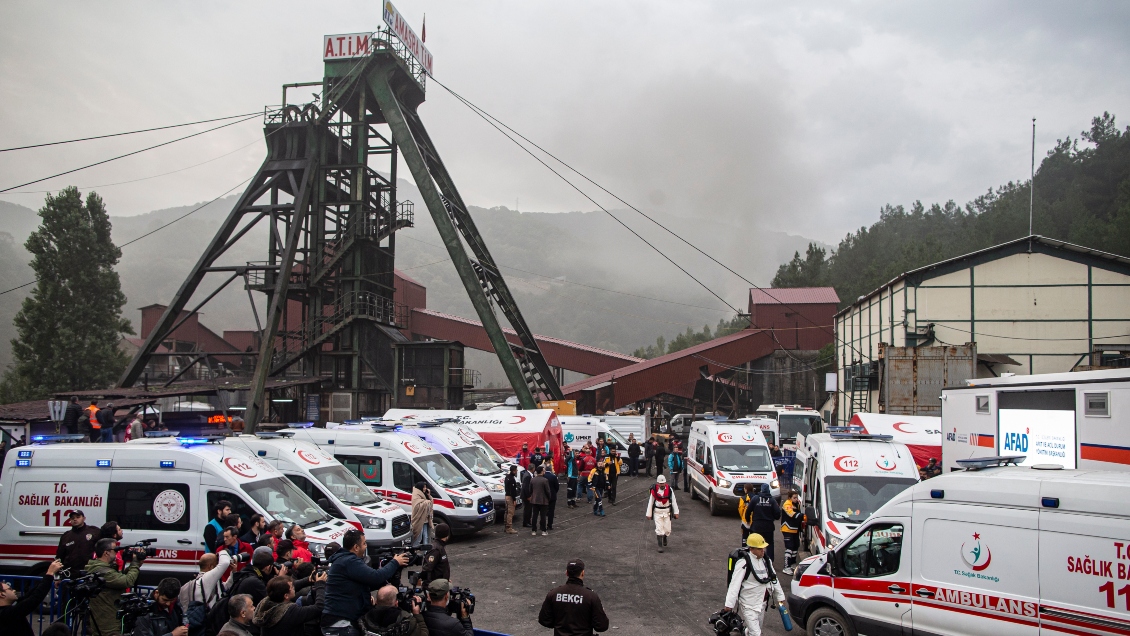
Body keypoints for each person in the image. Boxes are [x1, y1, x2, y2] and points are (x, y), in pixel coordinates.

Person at [321, 529, 409, 636]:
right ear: (356, 547)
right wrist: (395, 563)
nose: (366, 546)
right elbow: (376, 577)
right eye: (364, 543)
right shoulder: (349, 561)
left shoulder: (345, 560)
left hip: (343, 620)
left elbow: (368, 582)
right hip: (340, 624)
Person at [723, 533, 786, 636]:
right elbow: (734, 585)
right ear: (752, 548)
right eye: (760, 548)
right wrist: (729, 605)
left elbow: (774, 579)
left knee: (754, 630)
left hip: (762, 603)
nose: (763, 551)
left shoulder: (766, 561)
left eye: (763, 548)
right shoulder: (743, 563)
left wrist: (780, 596)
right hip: (748, 604)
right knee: (756, 633)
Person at [87, 537, 143, 636]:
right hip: (107, 622)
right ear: (106, 553)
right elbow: (126, 581)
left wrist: (136, 565)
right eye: (115, 550)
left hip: (107, 617)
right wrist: (135, 563)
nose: (117, 553)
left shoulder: (102, 568)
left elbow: (118, 578)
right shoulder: (102, 571)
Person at [538, 559, 609, 636]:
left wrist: (560, 625)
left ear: (566, 573)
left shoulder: (553, 594)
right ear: (582, 573)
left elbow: (544, 620)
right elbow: (602, 626)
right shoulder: (591, 596)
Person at [0, 559, 63, 636]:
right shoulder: (7, 614)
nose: (14, 590)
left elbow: (30, 595)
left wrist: (48, 578)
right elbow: (34, 599)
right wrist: (49, 574)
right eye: (10, 589)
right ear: (2, 595)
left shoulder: (9, 610)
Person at [253, 574, 326, 636]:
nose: (294, 587)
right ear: (286, 596)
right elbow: (319, 607)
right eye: (292, 587)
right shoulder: (290, 612)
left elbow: (283, 588)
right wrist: (320, 585)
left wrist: (308, 580)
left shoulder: (265, 604)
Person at [134, 577, 199, 636]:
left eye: (172, 600)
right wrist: (172, 634)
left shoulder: (176, 606)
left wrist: (184, 628)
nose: (168, 604)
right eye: (165, 600)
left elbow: (184, 617)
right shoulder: (144, 613)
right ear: (157, 593)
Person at [361, 585, 426, 636]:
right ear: (396, 603)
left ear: (376, 601)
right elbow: (424, 634)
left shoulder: (365, 618)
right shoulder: (406, 621)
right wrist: (417, 615)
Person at [55, 509, 100, 578]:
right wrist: (57, 576)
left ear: (84, 518)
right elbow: (59, 557)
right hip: (70, 574)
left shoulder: (94, 531)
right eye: (72, 518)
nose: (75, 519)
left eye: (78, 517)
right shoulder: (66, 536)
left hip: (89, 572)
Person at [644, 475, 679, 553]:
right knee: (659, 529)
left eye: (663, 483)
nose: (662, 485)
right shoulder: (654, 491)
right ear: (658, 483)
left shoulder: (669, 490)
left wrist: (676, 512)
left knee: (667, 529)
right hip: (658, 512)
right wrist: (648, 513)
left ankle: (665, 537)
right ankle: (660, 545)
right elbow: (651, 502)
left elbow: (673, 501)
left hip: (667, 512)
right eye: (660, 483)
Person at [749, 484, 780, 566]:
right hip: (768, 526)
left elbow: (748, 510)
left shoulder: (755, 498)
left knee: (755, 543)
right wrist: (772, 517)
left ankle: (753, 560)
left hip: (756, 525)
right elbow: (777, 514)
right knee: (769, 543)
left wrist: (749, 521)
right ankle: (769, 561)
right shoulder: (772, 500)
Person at [780, 491, 805, 575]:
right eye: (794, 498)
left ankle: (792, 564)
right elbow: (792, 514)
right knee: (789, 547)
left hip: (795, 529)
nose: (796, 499)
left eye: (797, 497)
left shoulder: (796, 504)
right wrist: (803, 516)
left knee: (795, 546)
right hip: (787, 529)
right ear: (789, 498)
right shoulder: (787, 504)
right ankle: (786, 567)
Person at [528, 465, 552, 535]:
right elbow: (548, 491)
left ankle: (533, 530)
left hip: (534, 500)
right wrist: (549, 498)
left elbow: (530, 490)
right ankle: (543, 530)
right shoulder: (545, 480)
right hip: (543, 500)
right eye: (543, 470)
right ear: (542, 471)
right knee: (543, 516)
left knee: (534, 516)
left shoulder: (532, 479)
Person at [411, 482, 434, 547]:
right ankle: (414, 549)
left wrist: (429, 495)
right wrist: (427, 502)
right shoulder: (416, 495)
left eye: (425, 487)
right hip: (419, 519)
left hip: (426, 519)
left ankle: (426, 551)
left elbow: (431, 502)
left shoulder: (424, 494)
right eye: (423, 487)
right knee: (418, 536)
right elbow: (417, 506)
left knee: (426, 536)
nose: (425, 488)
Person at [504, 465, 519, 534]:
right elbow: (512, 491)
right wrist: (514, 500)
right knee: (510, 512)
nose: (517, 471)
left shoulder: (507, 477)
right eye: (516, 470)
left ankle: (506, 526)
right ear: (513, 471)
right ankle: (509, 527)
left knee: (507, 512)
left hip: (506, 495)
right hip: (510, 497)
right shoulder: (512, 479)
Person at [545, 464, 560, 531]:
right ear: (551, 469)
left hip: (544, 496)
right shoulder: (553, 477)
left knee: (543, 511)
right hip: (552, 496)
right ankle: (549, 525)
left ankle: (542, 525)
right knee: (551, 511)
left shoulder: (543, 476)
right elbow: (557, 487)